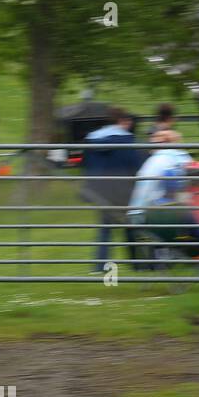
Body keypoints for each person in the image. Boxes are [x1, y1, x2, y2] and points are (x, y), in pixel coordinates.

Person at [127, 129, 199, 267]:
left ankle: (191, 253)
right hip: (157, 215)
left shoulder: (152, 161)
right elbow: (189, 178)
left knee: (183, 219)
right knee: (191, 220)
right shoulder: (178, 157)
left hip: (138, 214)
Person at [80, 107, 143, 273]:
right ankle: (137, 263)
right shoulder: (127, 141)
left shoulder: (92, 139)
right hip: (124, 188)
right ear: (123, 121)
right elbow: (134, 166)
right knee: (130, 226)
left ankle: (99, 265)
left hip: (101, 189)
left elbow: (85, 165)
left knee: (105, 228)